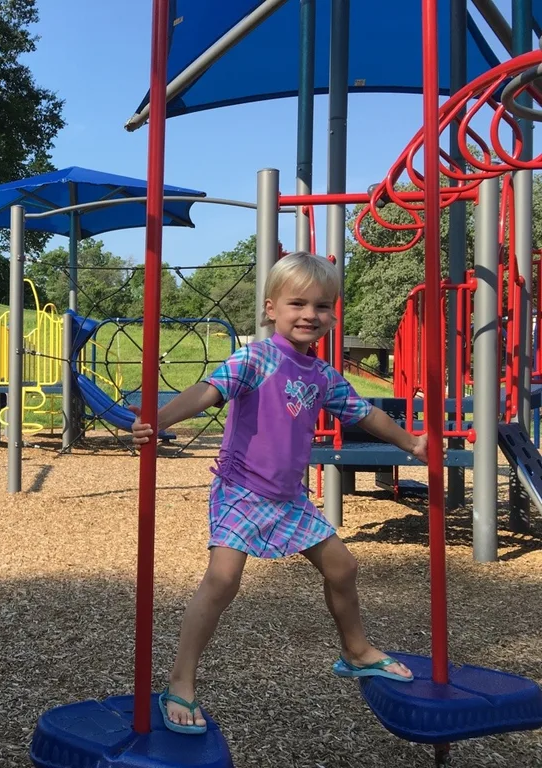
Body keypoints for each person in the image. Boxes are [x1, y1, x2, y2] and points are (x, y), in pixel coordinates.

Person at [130, 251, 426, 735]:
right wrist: (158, 421)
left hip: (289, 498)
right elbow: (208, 390)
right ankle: (180, 682)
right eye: (298, 304)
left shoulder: (323, 375)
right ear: (271, 308)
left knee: (343, 566)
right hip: (242, 490)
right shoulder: (256, 358)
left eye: (323, 306)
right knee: (223, 579)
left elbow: (365, 414)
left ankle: (354, 651)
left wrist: (410, 441)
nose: (311, 314)